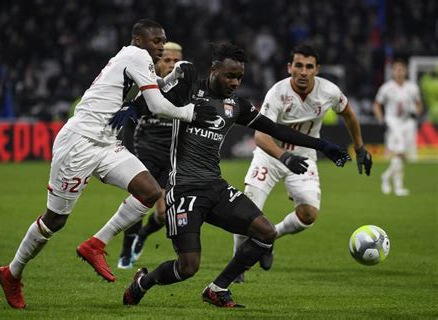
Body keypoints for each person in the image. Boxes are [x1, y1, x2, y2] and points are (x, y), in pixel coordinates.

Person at [0, 19, 218, 309]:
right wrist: (192, 112)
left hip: (106, 143)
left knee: (150, 192)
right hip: (79, 143)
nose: (161, 45)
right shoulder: (137, 55)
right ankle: (11, 273)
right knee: (56, 219)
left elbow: (150, 90)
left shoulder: (136, 58)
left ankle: (95, 245)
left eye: (163, 40)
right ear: (139, 40)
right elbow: (157, 105)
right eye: (155, 41)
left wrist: (171, 77)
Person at [121, 42, 351, 308]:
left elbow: (277, 129)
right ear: (214, 69)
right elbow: (152, 100)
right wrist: (130, 111)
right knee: (187, 268)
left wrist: (322, 145)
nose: (234, 82)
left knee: (266, 232)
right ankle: (142, 283)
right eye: (229, 75)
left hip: (214, 186)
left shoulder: (236, 105)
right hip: (184, 188)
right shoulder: (188, 90)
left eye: (239, 77)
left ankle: (218, 288)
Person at [232, 44, 373, 283]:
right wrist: (284, 156)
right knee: (247, 212)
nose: (304, 72)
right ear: (290, 68)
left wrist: (359, 147)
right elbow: (260, 137)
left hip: (305, 154)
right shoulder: (277, 93)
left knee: (308, 214)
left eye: (309, 67)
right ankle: (238, 264)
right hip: (271, 155)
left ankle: (269, 238)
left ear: (317, 70)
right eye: (299, 65)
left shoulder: (329, 91)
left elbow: (348, 113)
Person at [117, 42, 183, 269]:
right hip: (145, 154)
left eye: (176, 61)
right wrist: (130, 155)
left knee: (165, 214)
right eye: (167, 60)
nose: (172, 65)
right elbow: (127, 123)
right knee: (138, 204)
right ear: (158, 63)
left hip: (171, 157)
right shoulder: (146, 86)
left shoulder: (186, 91)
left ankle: (142, 235)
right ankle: (125, 253)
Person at [373, 60, 422, 196]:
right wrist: (381, 120)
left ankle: (386, 176)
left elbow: (419, 105)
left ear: (405, 71)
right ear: (393, 72)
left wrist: (416, 112)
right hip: (392, 121)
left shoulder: (412, 87)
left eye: (401, 69)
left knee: (404, 155)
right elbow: (377, 104)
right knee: (399, 150)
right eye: (397, 69)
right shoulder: (387, 87)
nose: (399, 72)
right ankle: (399, 187)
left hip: (408, 122)